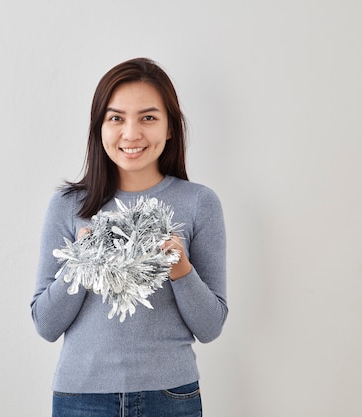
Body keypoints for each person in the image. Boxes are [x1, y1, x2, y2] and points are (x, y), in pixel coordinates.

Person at [30, 57, 227, 417]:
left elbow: (211, 326)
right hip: (81, 398)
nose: (131, 133)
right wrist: (82, 263)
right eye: (116, 118)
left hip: (170, 397)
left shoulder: (199, 203)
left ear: (170, 128)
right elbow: (45, 324)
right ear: (99, 127)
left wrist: (182, 270)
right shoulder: (67, 205)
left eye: (148, 117)